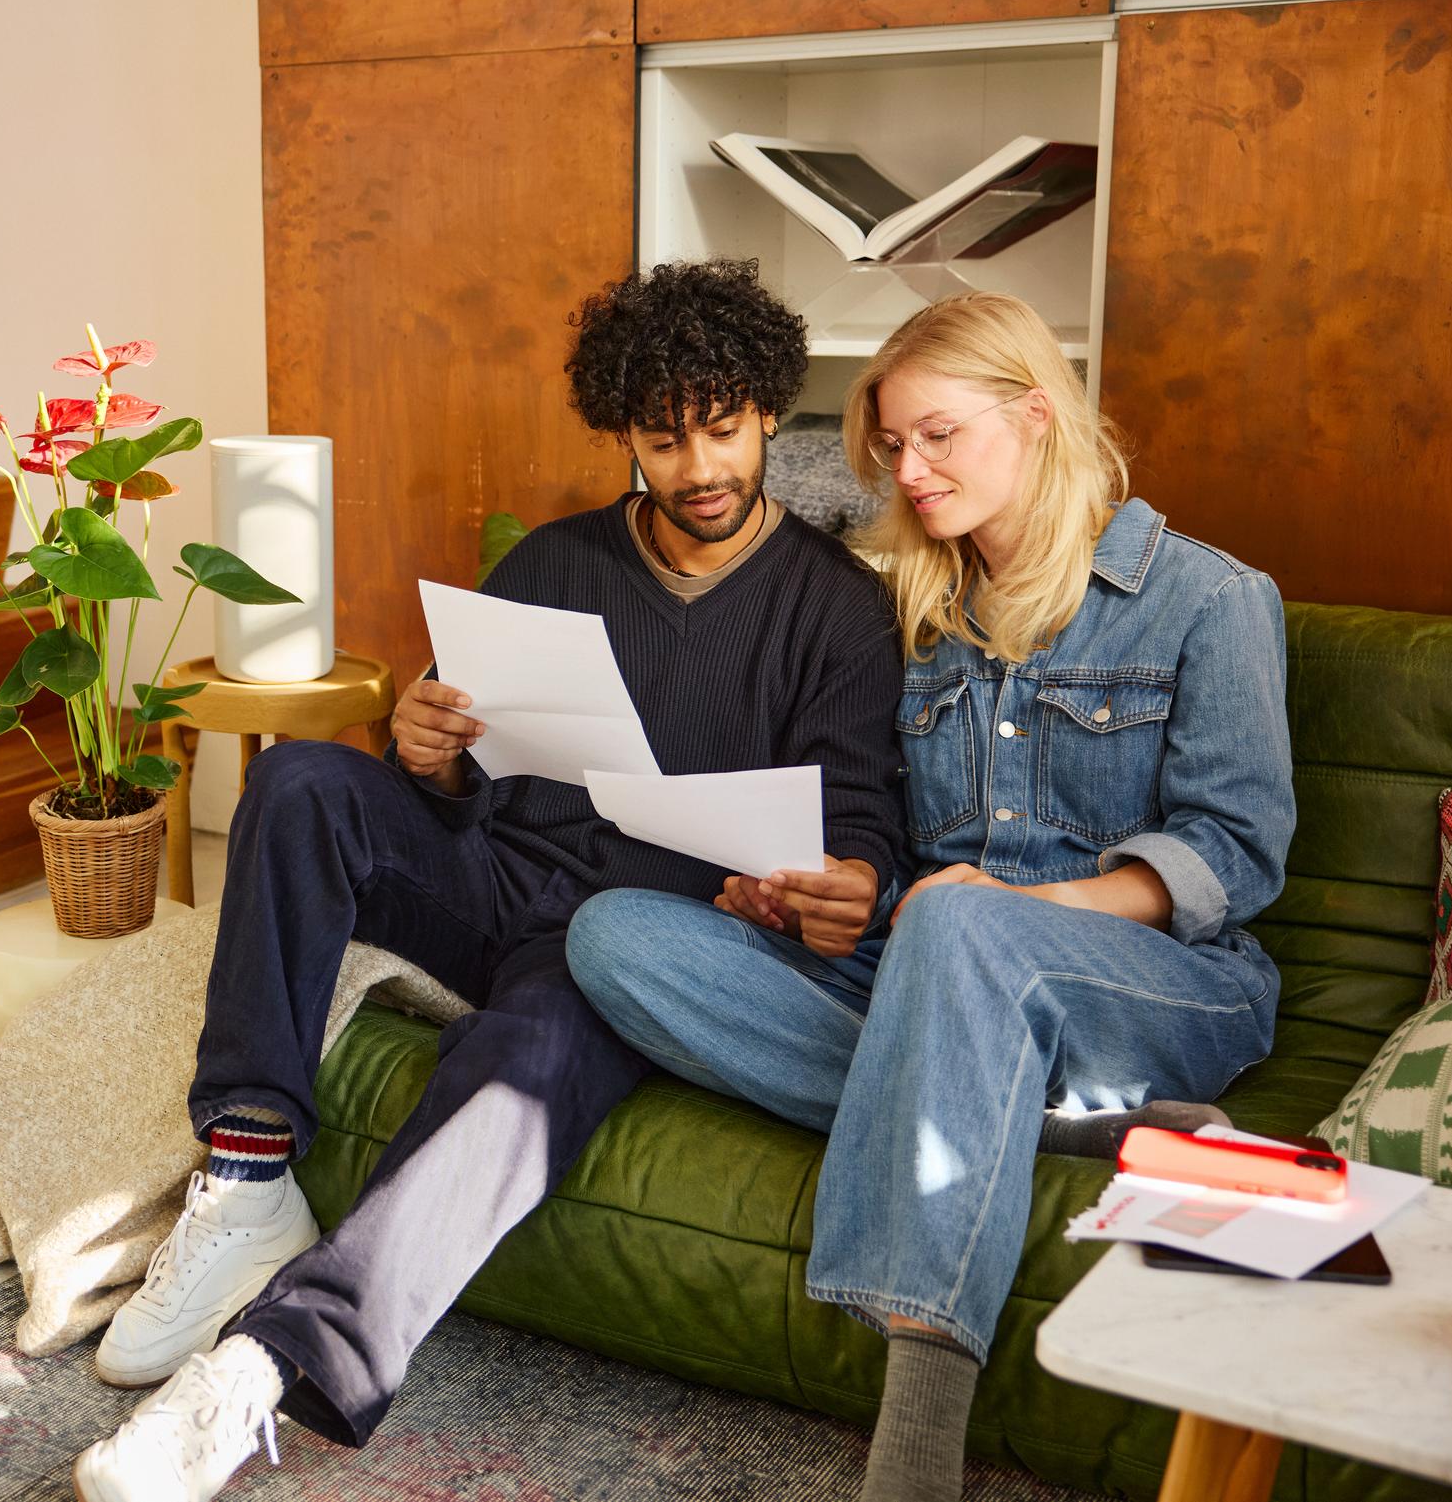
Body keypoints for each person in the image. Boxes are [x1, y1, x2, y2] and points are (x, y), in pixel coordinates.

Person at [70, 256, 908, 1502]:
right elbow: (455, 770)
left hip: (629, 942)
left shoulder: (837, 609)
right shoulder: (554, 562)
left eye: (724, 429)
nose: (700, 466)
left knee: (527, 1055)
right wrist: (428, 752)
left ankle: (261, 1366)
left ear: (770, 412)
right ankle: (245, 1176)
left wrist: (843, 883)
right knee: (298, 780)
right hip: (493, 874)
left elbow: (862, 825)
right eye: (664, 438)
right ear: (623, 433)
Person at [566, 290, 1294, 1502]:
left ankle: (914, 1446)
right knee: (615, 937)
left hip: (1167, 984)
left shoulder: (1207, 598)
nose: (908, 471)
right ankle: (1036, 1118)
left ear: (1038, 414)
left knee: (960, 921)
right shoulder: (915, 609)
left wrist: (1014, 910)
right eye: (895, 444)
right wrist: (833, 893)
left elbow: (1233, 860)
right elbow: (910, 857)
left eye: (938, 436)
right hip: (943, 967)